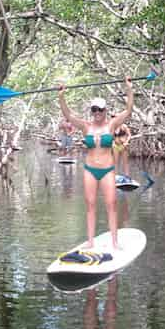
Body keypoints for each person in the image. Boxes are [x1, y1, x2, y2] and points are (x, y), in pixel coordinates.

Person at [58, 77, 135, 249]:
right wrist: (62, 96)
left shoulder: (112, 124)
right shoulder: (85, 126)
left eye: (100, 109)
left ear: (105, 110)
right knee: (90, 205)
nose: (97, 112)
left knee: (111, 205)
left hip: (107, 170)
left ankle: (115, 242)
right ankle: (91, 241)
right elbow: (68, 115)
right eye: (94, 109)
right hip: (90, 170)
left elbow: (128, 111)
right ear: (91, 111)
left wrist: (129, 89)